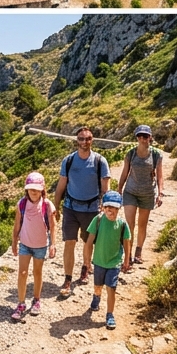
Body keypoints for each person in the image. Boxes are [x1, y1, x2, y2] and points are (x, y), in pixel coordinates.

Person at [52, 127, 111, 297]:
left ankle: (85, 267)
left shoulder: (100, 161)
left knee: (88, 242)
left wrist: (105, 206)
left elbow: (105, 188)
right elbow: (61, 185)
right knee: (69, 242)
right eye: (81, 139)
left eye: (88, 138)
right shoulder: (69, 160)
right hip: (70, 206)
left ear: (92, 140)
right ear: (76, 140)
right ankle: (68, 279)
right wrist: (56, 206)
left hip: (91, 209)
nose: (85, 142)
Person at [10, 172, 56, 320]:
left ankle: (36, 300)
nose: (33, 192)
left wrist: (53, 244)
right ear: (27, 189)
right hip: (25, 243)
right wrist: (14, 242)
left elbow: (53, 226)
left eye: (36, 189)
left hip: (40, 245)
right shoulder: (21, 204)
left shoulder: (47, 205)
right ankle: (21, 303)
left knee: (37, 273)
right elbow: (17, 225)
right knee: (22, 273)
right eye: (31, 189)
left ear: (42, 189)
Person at [117, 125, 164, 268]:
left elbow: (160, 176)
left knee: (142, 224)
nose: (142, 139)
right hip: (130, 192)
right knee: (129, 224)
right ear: (137, 137)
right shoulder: (131, 153)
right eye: (140, 136)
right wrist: (119, 189)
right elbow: (125, 172)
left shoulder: (156, 154)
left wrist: (160, 193)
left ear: (150, 137)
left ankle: (138, 251)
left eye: (145, 136)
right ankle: (128, 255)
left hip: (147, 194)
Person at [88, 191, 132, 330]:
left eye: (112, 207)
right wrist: (87, 261)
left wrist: (126, 260)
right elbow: (89, 242)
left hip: (114, 262)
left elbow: (126, 242)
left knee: (111, 288)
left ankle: (110, 314)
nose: (109, 210)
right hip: (99, 261)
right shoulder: (98, 220)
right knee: (98, 285)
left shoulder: (122, 224)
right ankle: (96, 296)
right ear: (102, 207)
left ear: (119, 208)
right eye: (106, 206)